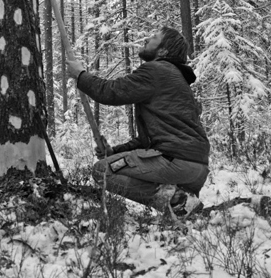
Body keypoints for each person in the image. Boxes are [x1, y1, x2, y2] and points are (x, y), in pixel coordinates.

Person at [66, 26, 210, 219]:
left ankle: (179, 201)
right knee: (108, 162)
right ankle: (182, 201)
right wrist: (114, 152)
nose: (148, 39)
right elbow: (150, 140)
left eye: (154, 37)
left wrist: (81, 75)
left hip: (175, 161)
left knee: (102, 171)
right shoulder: (175, 78)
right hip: (194, 167)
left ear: (163, 51)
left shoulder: (156, 70)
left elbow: (111, 91)